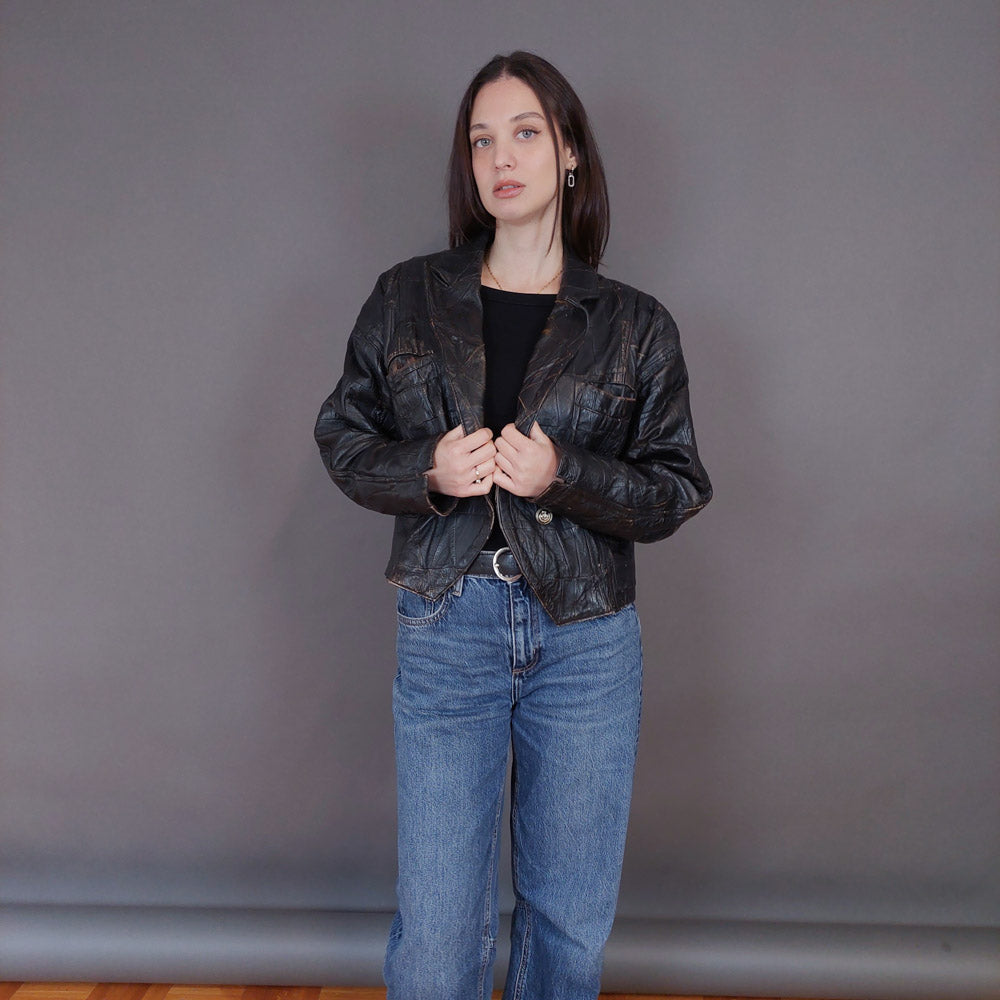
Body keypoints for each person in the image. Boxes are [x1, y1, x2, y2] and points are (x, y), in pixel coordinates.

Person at [314, 50, 712, 1000]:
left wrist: (562, 474)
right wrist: (428, 469)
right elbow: (343, 438)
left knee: (567, 926)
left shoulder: (635, 324)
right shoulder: (407, 296)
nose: (502, 157)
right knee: (439, 932)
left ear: (569, 152)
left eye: (526, 133)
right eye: (482, 138)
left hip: (586, 638)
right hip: (448, 624)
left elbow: (675, 488)